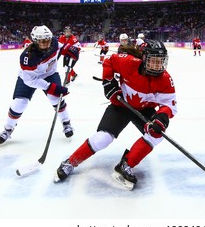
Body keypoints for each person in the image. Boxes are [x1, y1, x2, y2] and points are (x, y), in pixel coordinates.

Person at [54, 39, 177, 191]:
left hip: (144, 110)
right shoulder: (129, 62)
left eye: (161, 62)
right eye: (153, 61)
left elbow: (169, 105)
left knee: (156, 134)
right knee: (103, 139)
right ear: (143, 58)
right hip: (121, 105)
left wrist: (161, 118)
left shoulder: (165, 79)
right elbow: (109, 61)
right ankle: (70, 162)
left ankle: (126, 164)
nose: (158, 66)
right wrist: (109, 82)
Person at [0, 25, 80, 145]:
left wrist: (69, 50)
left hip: (49, 74)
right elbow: (30, 80)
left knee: (55, 98)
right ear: (35, 41)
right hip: (29, 78)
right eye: (42, 41)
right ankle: (7, 129)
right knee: (19, 103)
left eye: (47, 40)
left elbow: (61, 47)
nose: (46, 43)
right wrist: (50, 87)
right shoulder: (27, 57)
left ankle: (66, 123)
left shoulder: (54, 42)